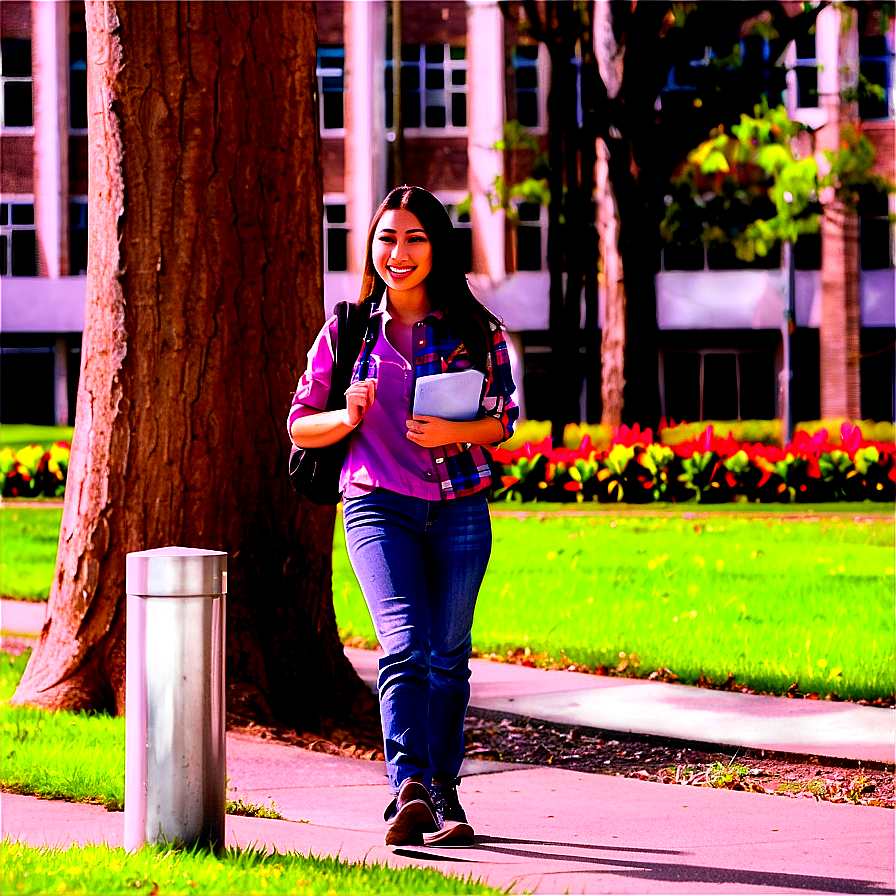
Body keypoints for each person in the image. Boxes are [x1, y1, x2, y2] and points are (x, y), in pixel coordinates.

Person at [288, 185, 518, 846]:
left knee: (448, 657)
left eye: (415, 238)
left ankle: (445, 792)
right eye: (387, 238)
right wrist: (347, 415)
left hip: (459, 510)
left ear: (437, 247)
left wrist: (455, 431)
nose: (400, 252)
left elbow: (502, 419)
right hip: (376, 506)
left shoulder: (476, 330)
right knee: (404, 646)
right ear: (372, 246)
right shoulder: (348, 330)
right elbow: (300, 425)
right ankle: (409, 788)